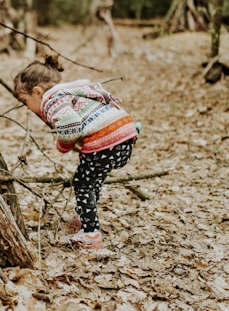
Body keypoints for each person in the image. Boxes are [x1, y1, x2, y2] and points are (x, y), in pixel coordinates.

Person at [14, 55, 139, 250]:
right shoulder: (72, 92)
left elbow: (70, 125)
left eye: (25, 101)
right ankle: (84, 218)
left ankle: (91, 235)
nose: (28, 108)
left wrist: (64, 145)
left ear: (37, 92)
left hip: (106, 143)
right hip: (125, 136)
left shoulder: (51, 101)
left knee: (82, 183)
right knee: (92, 181)